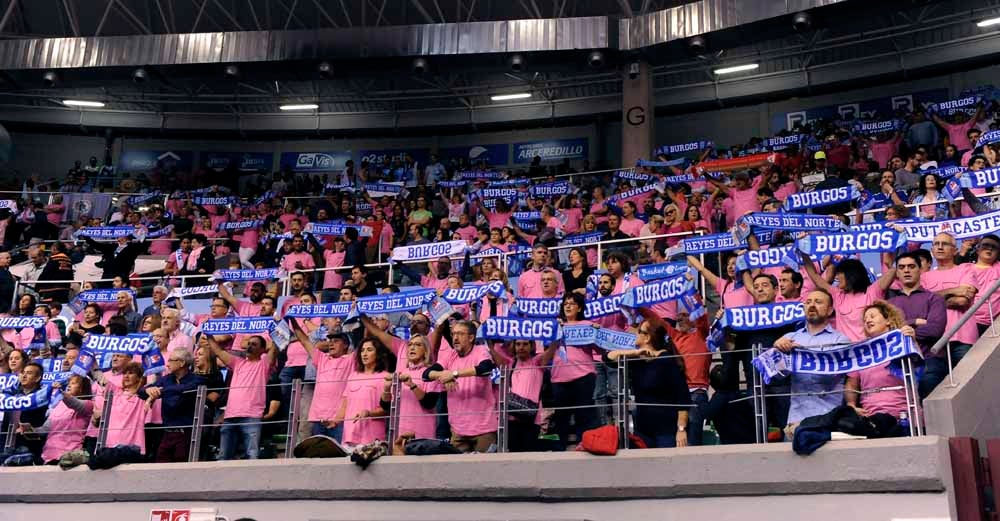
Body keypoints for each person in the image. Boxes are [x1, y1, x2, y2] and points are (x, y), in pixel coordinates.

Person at [773, 289, 851, 433]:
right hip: (795, 421)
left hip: (827, 420)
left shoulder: (840, 340)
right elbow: (776, 376)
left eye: (818, 302)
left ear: (829, 310)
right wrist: (776, 351)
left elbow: (830, 375)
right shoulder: (790, 337)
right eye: (808, 302)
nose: (812, 305)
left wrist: (803, 355)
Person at [604, 317, 691, 448]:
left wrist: (681, 430)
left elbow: (682, 398)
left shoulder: (667, 360)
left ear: (647, 337)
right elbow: (607, 358)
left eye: (639, 331)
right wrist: (634, 352)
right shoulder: (637, 360)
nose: (635, 334)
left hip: (666, 431)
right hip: (643, 430)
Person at [425, 319, 498, 453]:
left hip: (484, 429)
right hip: (458, 431)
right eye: (453, 334)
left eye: (460, 334)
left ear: (471, 337)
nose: (455, 338)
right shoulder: (450, 355)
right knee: (457, 472)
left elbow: (486, 368)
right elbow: (427, 373)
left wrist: (454, 374)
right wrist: (444, 375)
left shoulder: (480, 351)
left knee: (485, 471)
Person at [885, 252, 948, 398]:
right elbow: (886, 332)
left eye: (911, 266)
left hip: (929, 361)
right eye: (901, 267)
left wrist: (902, 328)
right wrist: (915, 322)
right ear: (897, 273)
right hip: (898, 363)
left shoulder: (934, 298)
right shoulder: (889, 304)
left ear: (920, 270)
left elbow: (935, 329)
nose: (906, 270)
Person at [206, 334, 277, 460]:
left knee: (252, 456)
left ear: (262, 350)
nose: (249, 346)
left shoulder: (263, 364)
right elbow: (218, 351)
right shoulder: (237, 362)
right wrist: (208, 334)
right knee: (224, 457)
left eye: (254, 344)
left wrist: (276, 331)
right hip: (230, 416)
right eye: (248, 343)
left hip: (252, 417)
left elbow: (274, 349)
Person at [845, 301, 918, 421]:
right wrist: (851, 405)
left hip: (904, 415)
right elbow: (852, 383)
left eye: (872, 316)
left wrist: (912, 342)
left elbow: (917, 368)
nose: (868, 321)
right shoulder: (861, 351)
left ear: (888, 320)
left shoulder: (902, 343)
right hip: (870, 417)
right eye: (865, 320)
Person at [289, 320, 354, 440]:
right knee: (319, 455)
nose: (331, 344)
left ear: (345, 345)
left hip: (339, 419)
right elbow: (304, 341)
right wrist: (293, 321)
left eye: (336, 341)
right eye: (330, 341)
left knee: (339, 455)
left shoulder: (351, 360)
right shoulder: (322, 359)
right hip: (318, 418)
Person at [143, 347, 204, 463]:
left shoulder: (196, 380)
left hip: (186, 434)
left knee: (182, 468)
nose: (167, 364)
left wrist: (159, 391)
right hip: (167, 433)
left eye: (171, 360)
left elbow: (183, 388)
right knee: (160, 466)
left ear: (182, 363)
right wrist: (148, 391)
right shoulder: (166, 379)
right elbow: (142, 391)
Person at [382, 334, 442, 449]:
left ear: (425, 351)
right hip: (400, 433)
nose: (412, 348)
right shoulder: (400, 372)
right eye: (410, 345)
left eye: (417, 345)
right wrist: (386, 388)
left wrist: (412, 385)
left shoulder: (430, 372)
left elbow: (429, 403)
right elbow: (385, 406)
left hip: (423, 433)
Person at [332, 338, 393, 447]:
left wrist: (369, 413)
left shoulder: (385, 377)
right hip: (349, 436)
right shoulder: (353, 376)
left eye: (369, 350)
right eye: (362, 350)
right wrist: (335, 421)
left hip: (372, 437)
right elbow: (345, 405)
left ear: (378, 353)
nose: (364, 354)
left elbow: (387, 409)